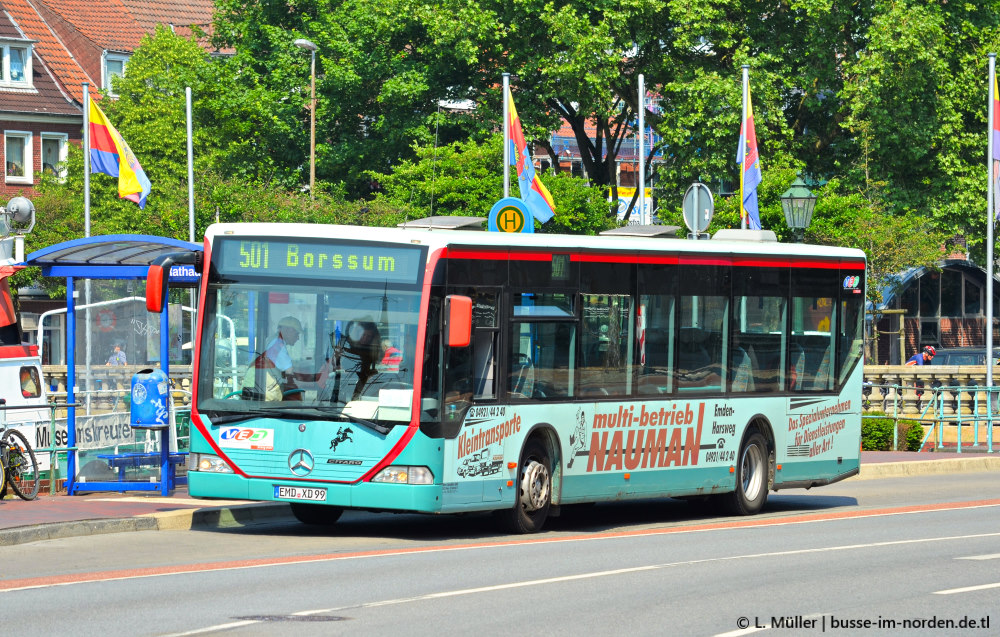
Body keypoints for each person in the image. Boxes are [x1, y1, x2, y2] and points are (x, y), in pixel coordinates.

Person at [243, 316, 328, 400]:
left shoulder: (272, 340)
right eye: (296, 334)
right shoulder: (277, 344)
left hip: (254, 386)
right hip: (260, 390)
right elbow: (290, 371)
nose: (298, 338)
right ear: (288, 330)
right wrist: (314, 379)